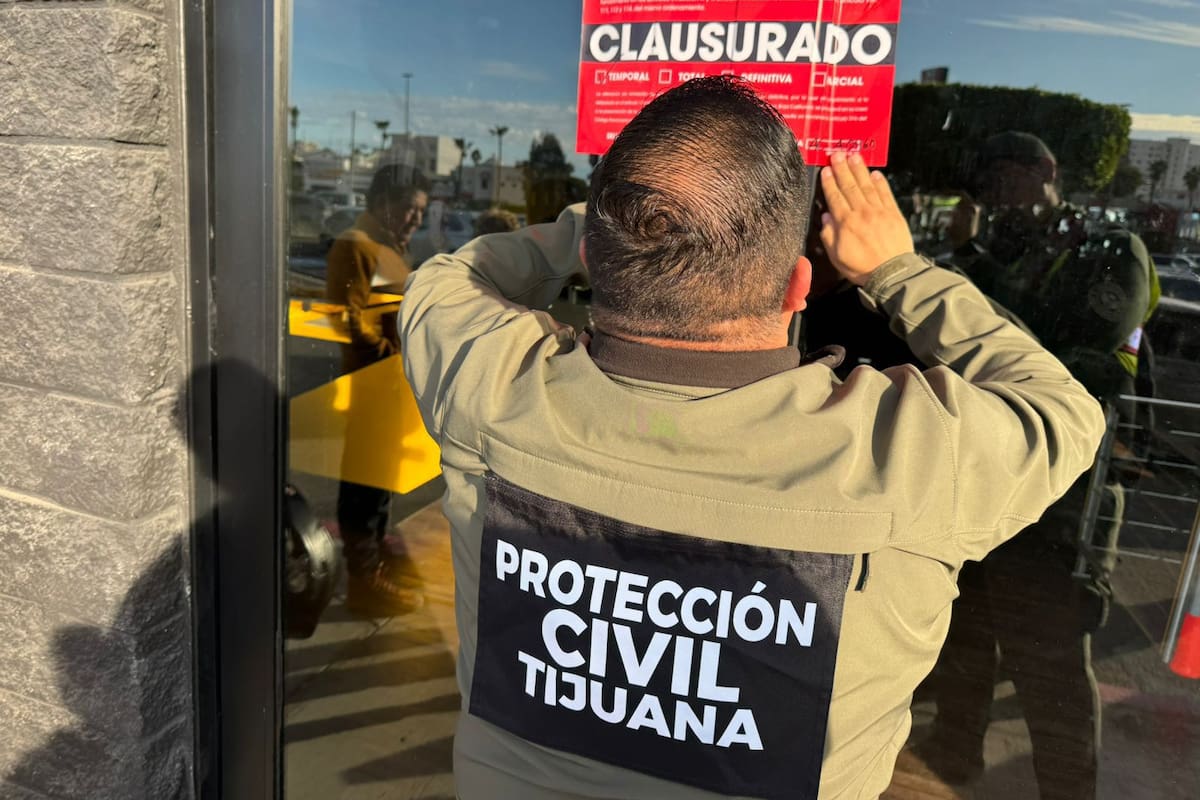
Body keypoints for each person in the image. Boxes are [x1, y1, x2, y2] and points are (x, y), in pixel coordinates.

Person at [399, 78, 1105, 800]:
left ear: (592, 254)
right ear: (800, 286)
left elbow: (448, 279)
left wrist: (604, 226)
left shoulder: (485, 386)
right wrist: (898, 270)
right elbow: (1061, 411)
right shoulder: (906, 459)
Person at [915, 132, 1157, 799]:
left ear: (1047, 171)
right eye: (988, 183)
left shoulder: (1110, 251)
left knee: (1048, 665)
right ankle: (953, 753)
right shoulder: (1009, 250)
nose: (996, 193)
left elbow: (1083, 364)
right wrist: (966, 256)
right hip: (987, 486)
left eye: (1006, 177)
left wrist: (974, 279)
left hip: (1063, 500)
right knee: (965, 641)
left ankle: (1067, 791)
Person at [325, 164, 428, 617]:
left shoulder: (386, 247)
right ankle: (365, 583)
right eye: (409, 208)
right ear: (382, 202)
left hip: (389, 387)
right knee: (364, 486)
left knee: (379, 482)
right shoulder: (357, 245)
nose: (415, 219)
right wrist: (393, 354)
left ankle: (375, 567)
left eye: (420, 211)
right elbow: (344, 320)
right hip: (371, 386)